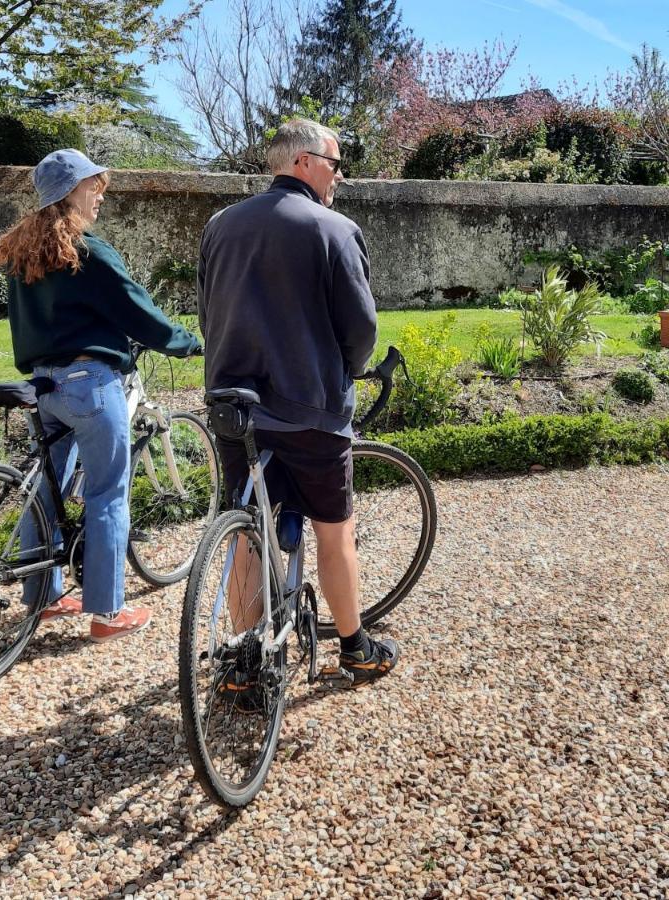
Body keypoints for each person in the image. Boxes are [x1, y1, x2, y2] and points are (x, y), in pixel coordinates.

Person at [197, 118, 399, 683]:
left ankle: (242, 661)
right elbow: (360, 329)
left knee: (244, 528)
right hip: (310, 408)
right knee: (335, 532)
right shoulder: (334, 229)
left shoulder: (219, 226)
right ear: (304, 162)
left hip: (235, 409)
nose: (338, 178)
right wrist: (348, 373)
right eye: (335, 165)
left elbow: (208, 314)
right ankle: (356, 649)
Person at [0, 148, 201, 642]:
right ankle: (108, 613)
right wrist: (186, 343)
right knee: (108, 492)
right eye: (93, 186)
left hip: (44, 385)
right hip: (91, 385)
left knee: (48, 490)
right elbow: (139, 314)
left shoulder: (26, 256)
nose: (100, 194)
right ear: (69, 194)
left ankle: (42, 597)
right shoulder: (90, 251)